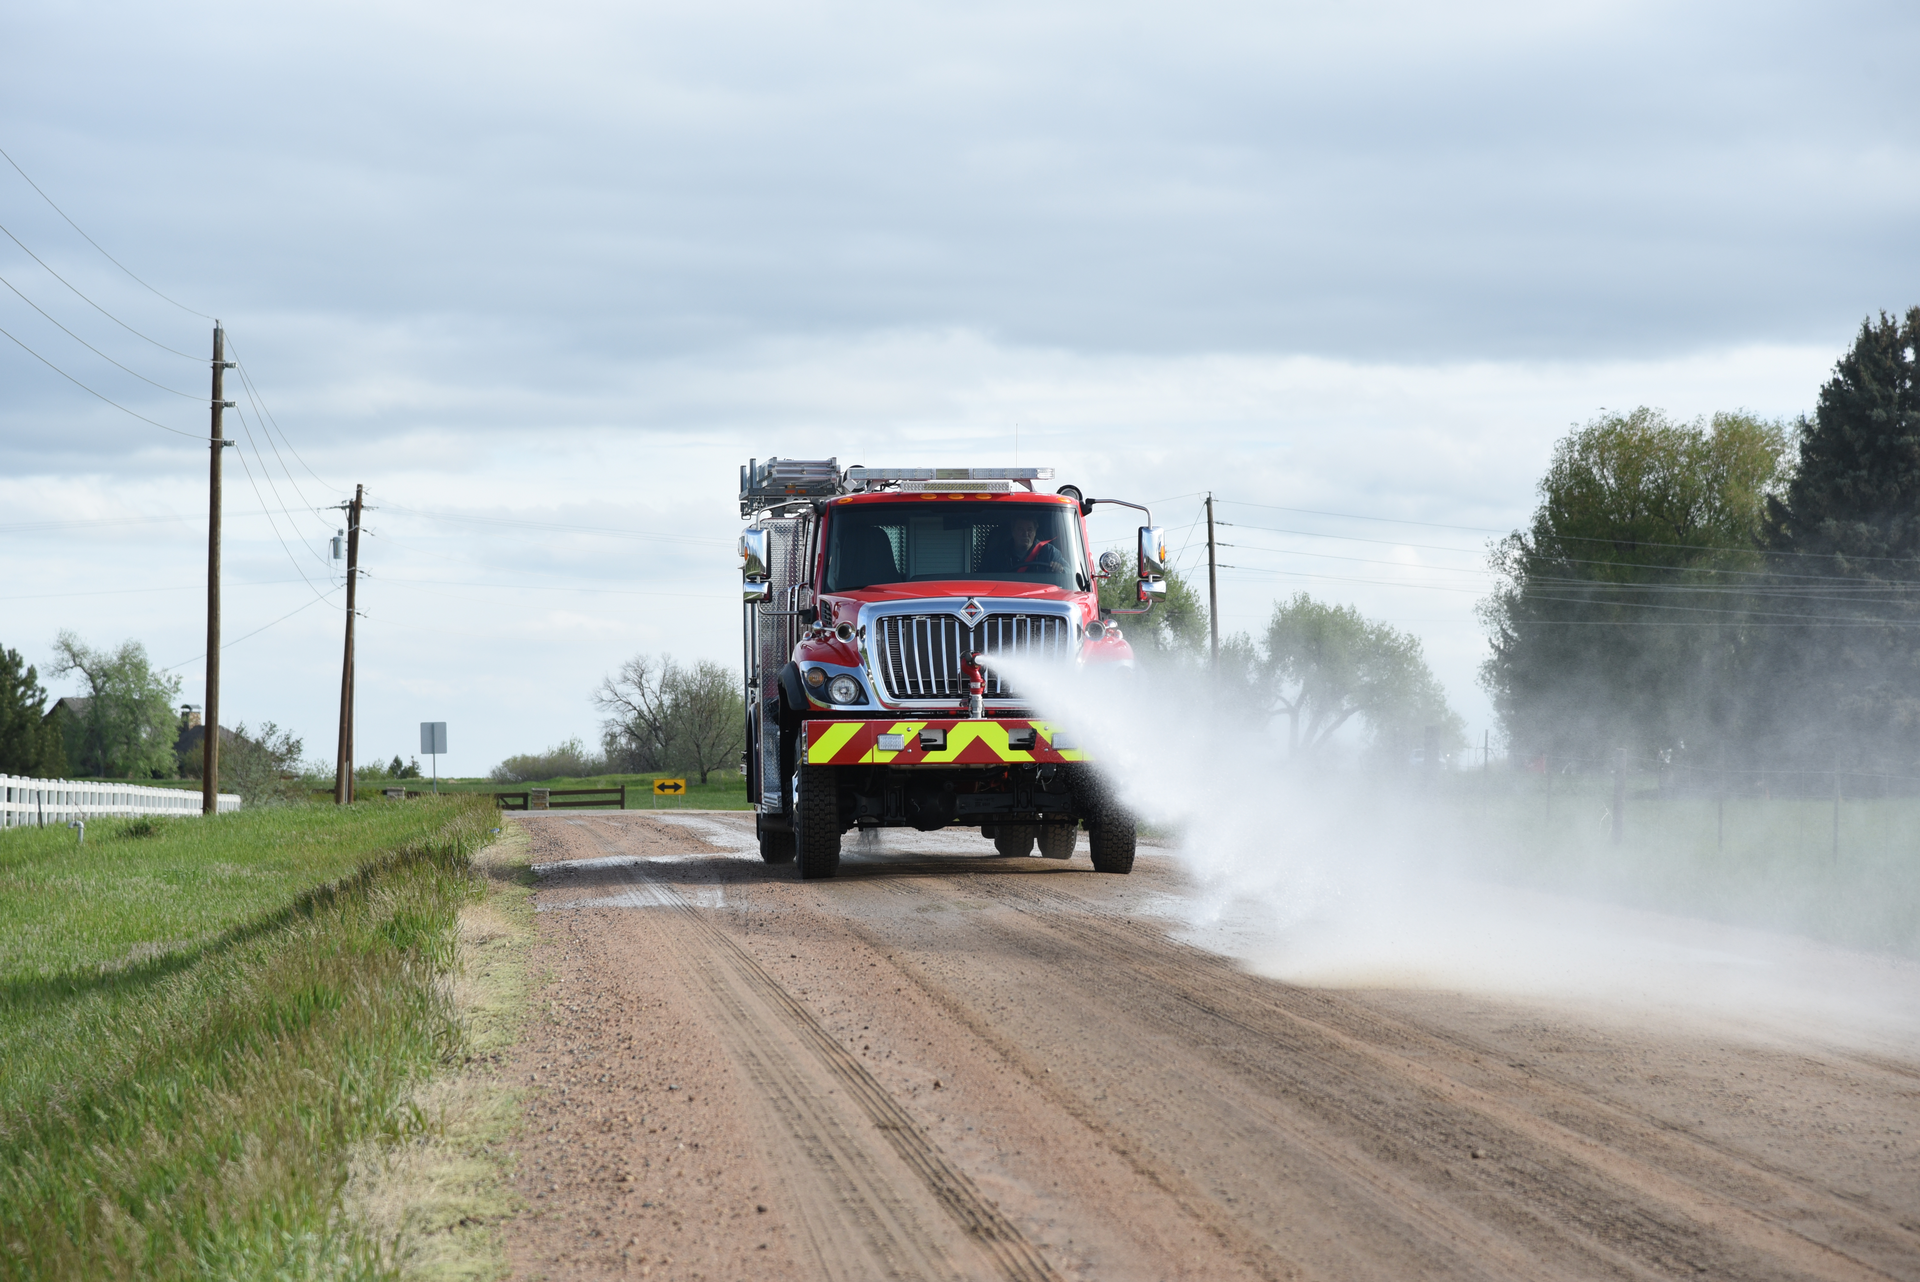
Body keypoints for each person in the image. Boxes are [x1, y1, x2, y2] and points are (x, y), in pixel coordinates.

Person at [990, 512, 1066, 573]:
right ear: (1013, 531)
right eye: (1020, 529)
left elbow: (1072, 574)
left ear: (1035, 532)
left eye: (1029, 530)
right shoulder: (998, 555)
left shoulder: (1049, 552)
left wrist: (1061, 569)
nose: (1025, 534)